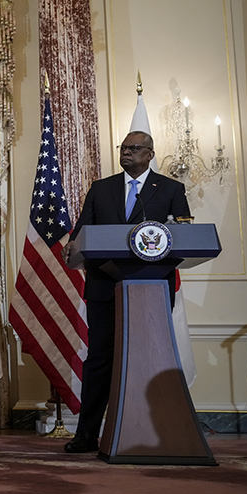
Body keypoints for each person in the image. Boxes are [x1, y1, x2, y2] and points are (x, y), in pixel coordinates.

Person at [62, 131, 190, 453]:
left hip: (153, 289)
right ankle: (87, 434)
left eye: (134, 149)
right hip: (105, 288)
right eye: (123, 148)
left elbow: (183, 233)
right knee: (101, 359)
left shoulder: (171, 189)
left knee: (152, 359)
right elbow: (82, 231)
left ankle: (158, 431)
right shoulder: (101, 189)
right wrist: (73, 244)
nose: (126, 153)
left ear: (149, 154)